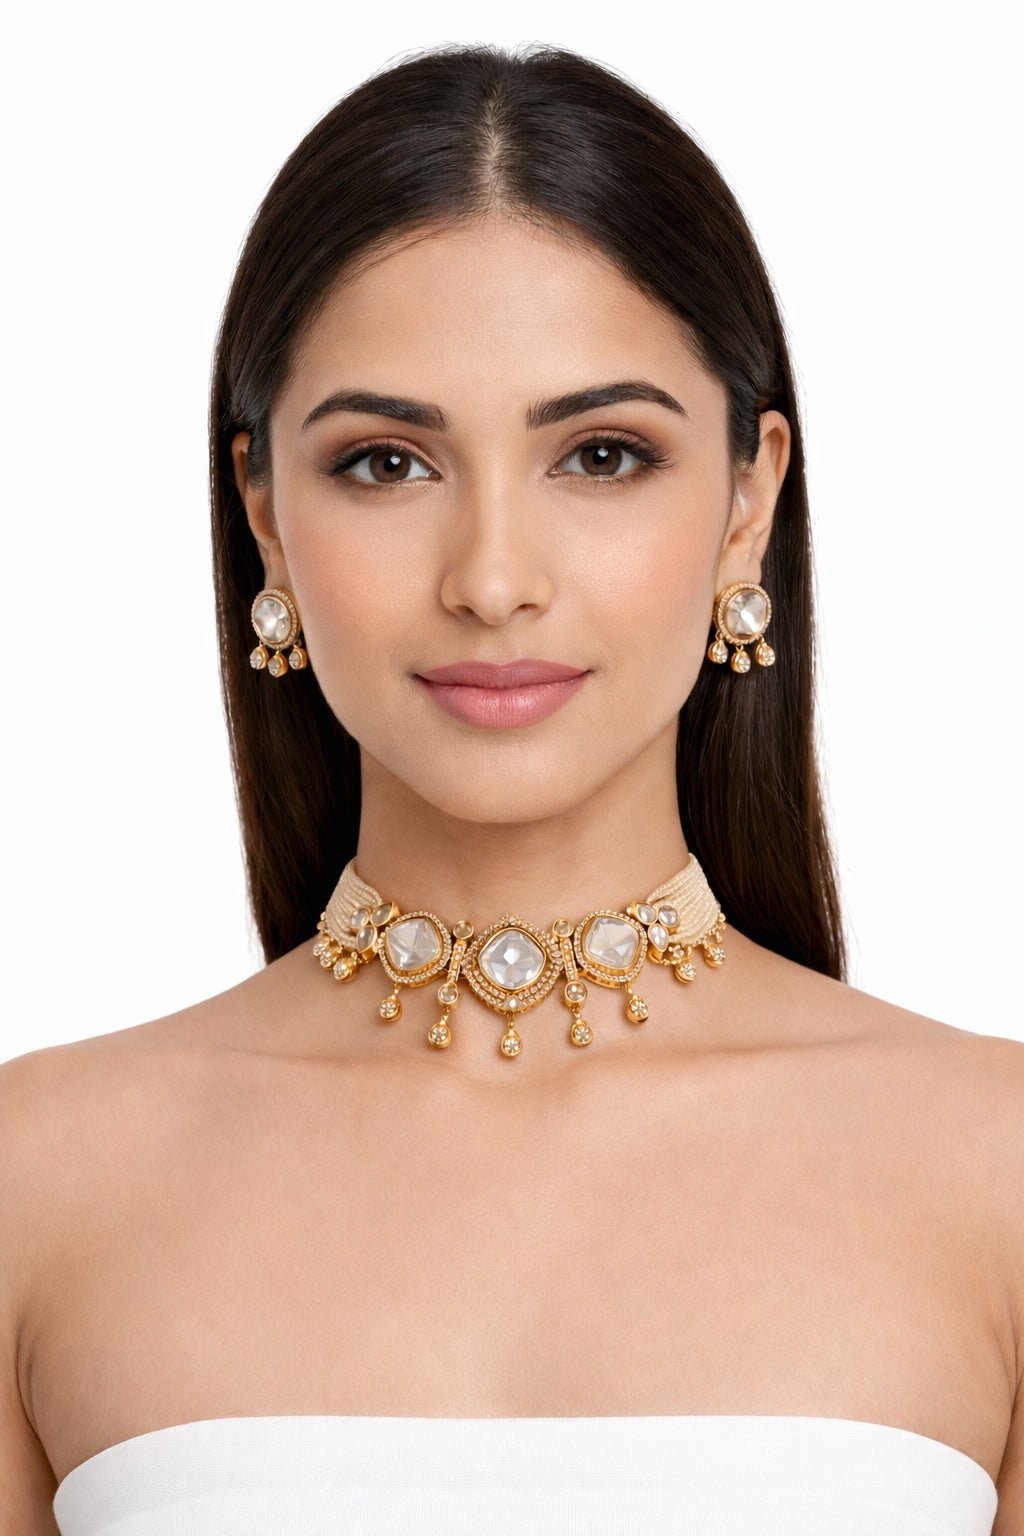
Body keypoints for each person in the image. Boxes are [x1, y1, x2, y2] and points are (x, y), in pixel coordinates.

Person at [1, 43, 1020, 1536]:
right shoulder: (39, 1184)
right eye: (386, 463)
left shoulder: (1000, 1173)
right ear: (263, 519)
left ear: (749, 500)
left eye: (601, 455)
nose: (491, 581)